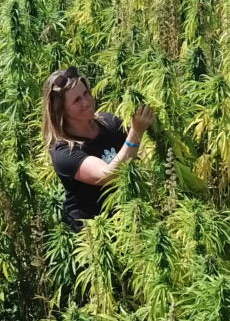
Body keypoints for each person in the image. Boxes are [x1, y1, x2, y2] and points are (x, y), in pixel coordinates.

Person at [42, 67, 155, 231]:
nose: (86, 102)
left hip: (127, 219)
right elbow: (108, 175)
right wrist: (136, 131)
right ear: (61, 110)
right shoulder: (63, 152)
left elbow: (135, 155)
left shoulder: (109, 121)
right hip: (94, 233)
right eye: (77, 100)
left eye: (86, 93)